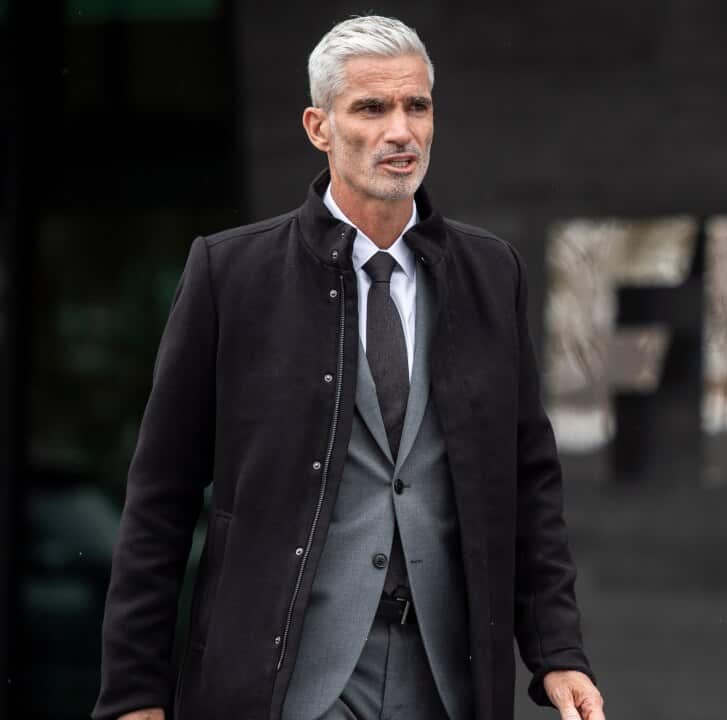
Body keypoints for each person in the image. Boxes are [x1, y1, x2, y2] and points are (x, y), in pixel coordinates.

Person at [92, 15, 604, 720]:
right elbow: (161, 496)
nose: (401, 130)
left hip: (447, 682)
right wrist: (133, 696)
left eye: (416, 106)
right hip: (288, 683)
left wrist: (558, 654)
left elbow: (529, 484)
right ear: (318, 126)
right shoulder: (230, 273)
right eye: (371, 107)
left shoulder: (490, 273)